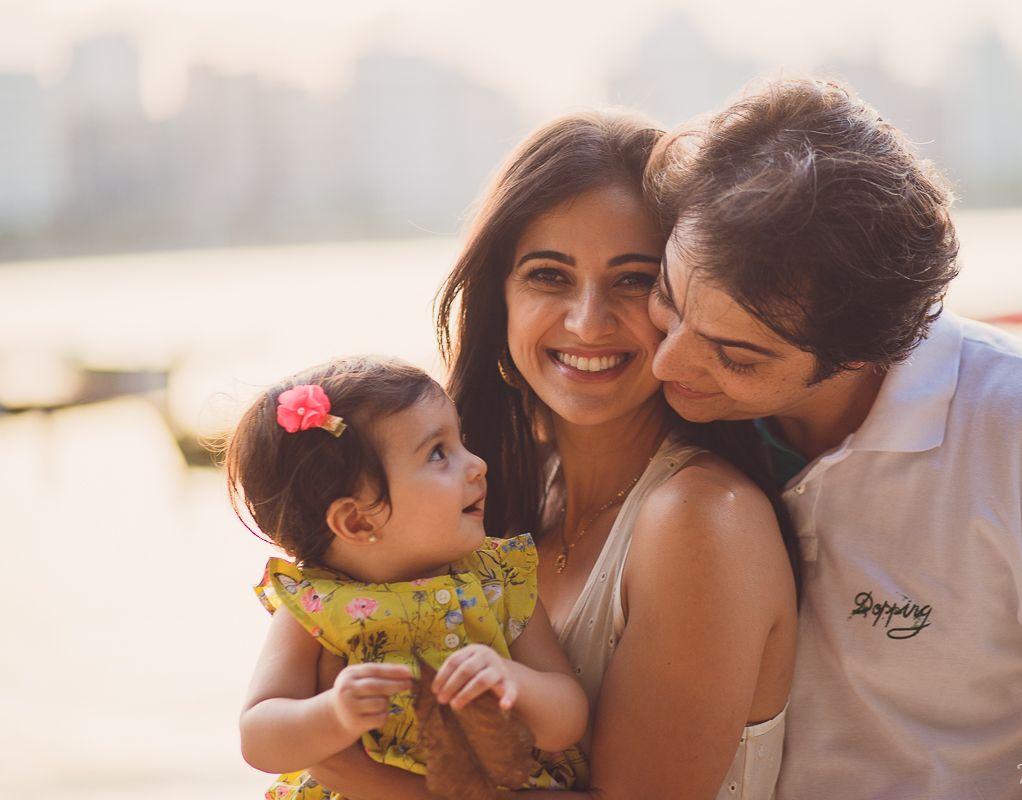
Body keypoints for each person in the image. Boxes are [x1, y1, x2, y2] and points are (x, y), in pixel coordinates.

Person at [647, 76, 1022, 799]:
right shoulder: (669, 413)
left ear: (862, 351)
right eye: (667, 295)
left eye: (738, 356)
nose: (668, 362)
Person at [306, 111, 801, 800]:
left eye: (633, 280)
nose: (587, 321)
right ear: (498, 299)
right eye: (548, 275)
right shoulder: (495, 498)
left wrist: (348, 770)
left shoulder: (702, 519)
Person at [228, 356, 589, 799]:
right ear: (358, 522)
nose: (477, 464)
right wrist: (334, 714)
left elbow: (567, 723)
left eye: (461, 442)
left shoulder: (500, 580)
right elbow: (260, 738)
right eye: (439, 453)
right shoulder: (316, 604)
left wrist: (513, 681)